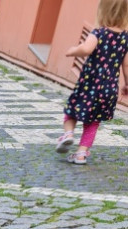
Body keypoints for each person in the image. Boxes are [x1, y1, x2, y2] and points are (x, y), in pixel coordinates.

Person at [56, 0, 128, 165]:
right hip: (109, 89)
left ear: (102, 11)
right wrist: (127, 84)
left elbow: (87, 49)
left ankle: (68, 135)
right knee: (93, 122)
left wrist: (73, 51)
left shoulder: (98, 33)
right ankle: (81, 155)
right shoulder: (125, 38)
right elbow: (126, 65)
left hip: (89, 86)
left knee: (72, 110)